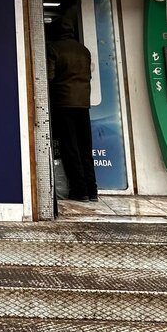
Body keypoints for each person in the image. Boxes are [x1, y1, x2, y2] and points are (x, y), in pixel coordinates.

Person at [46, 18, 97, 202]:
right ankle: (92, 190)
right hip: (83, 104)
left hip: (63, 103)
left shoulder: (53, 48)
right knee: (85, 148)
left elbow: (49, 77)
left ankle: (80, 190)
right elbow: (88, 76)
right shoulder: (84, 50)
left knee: (71, 148)